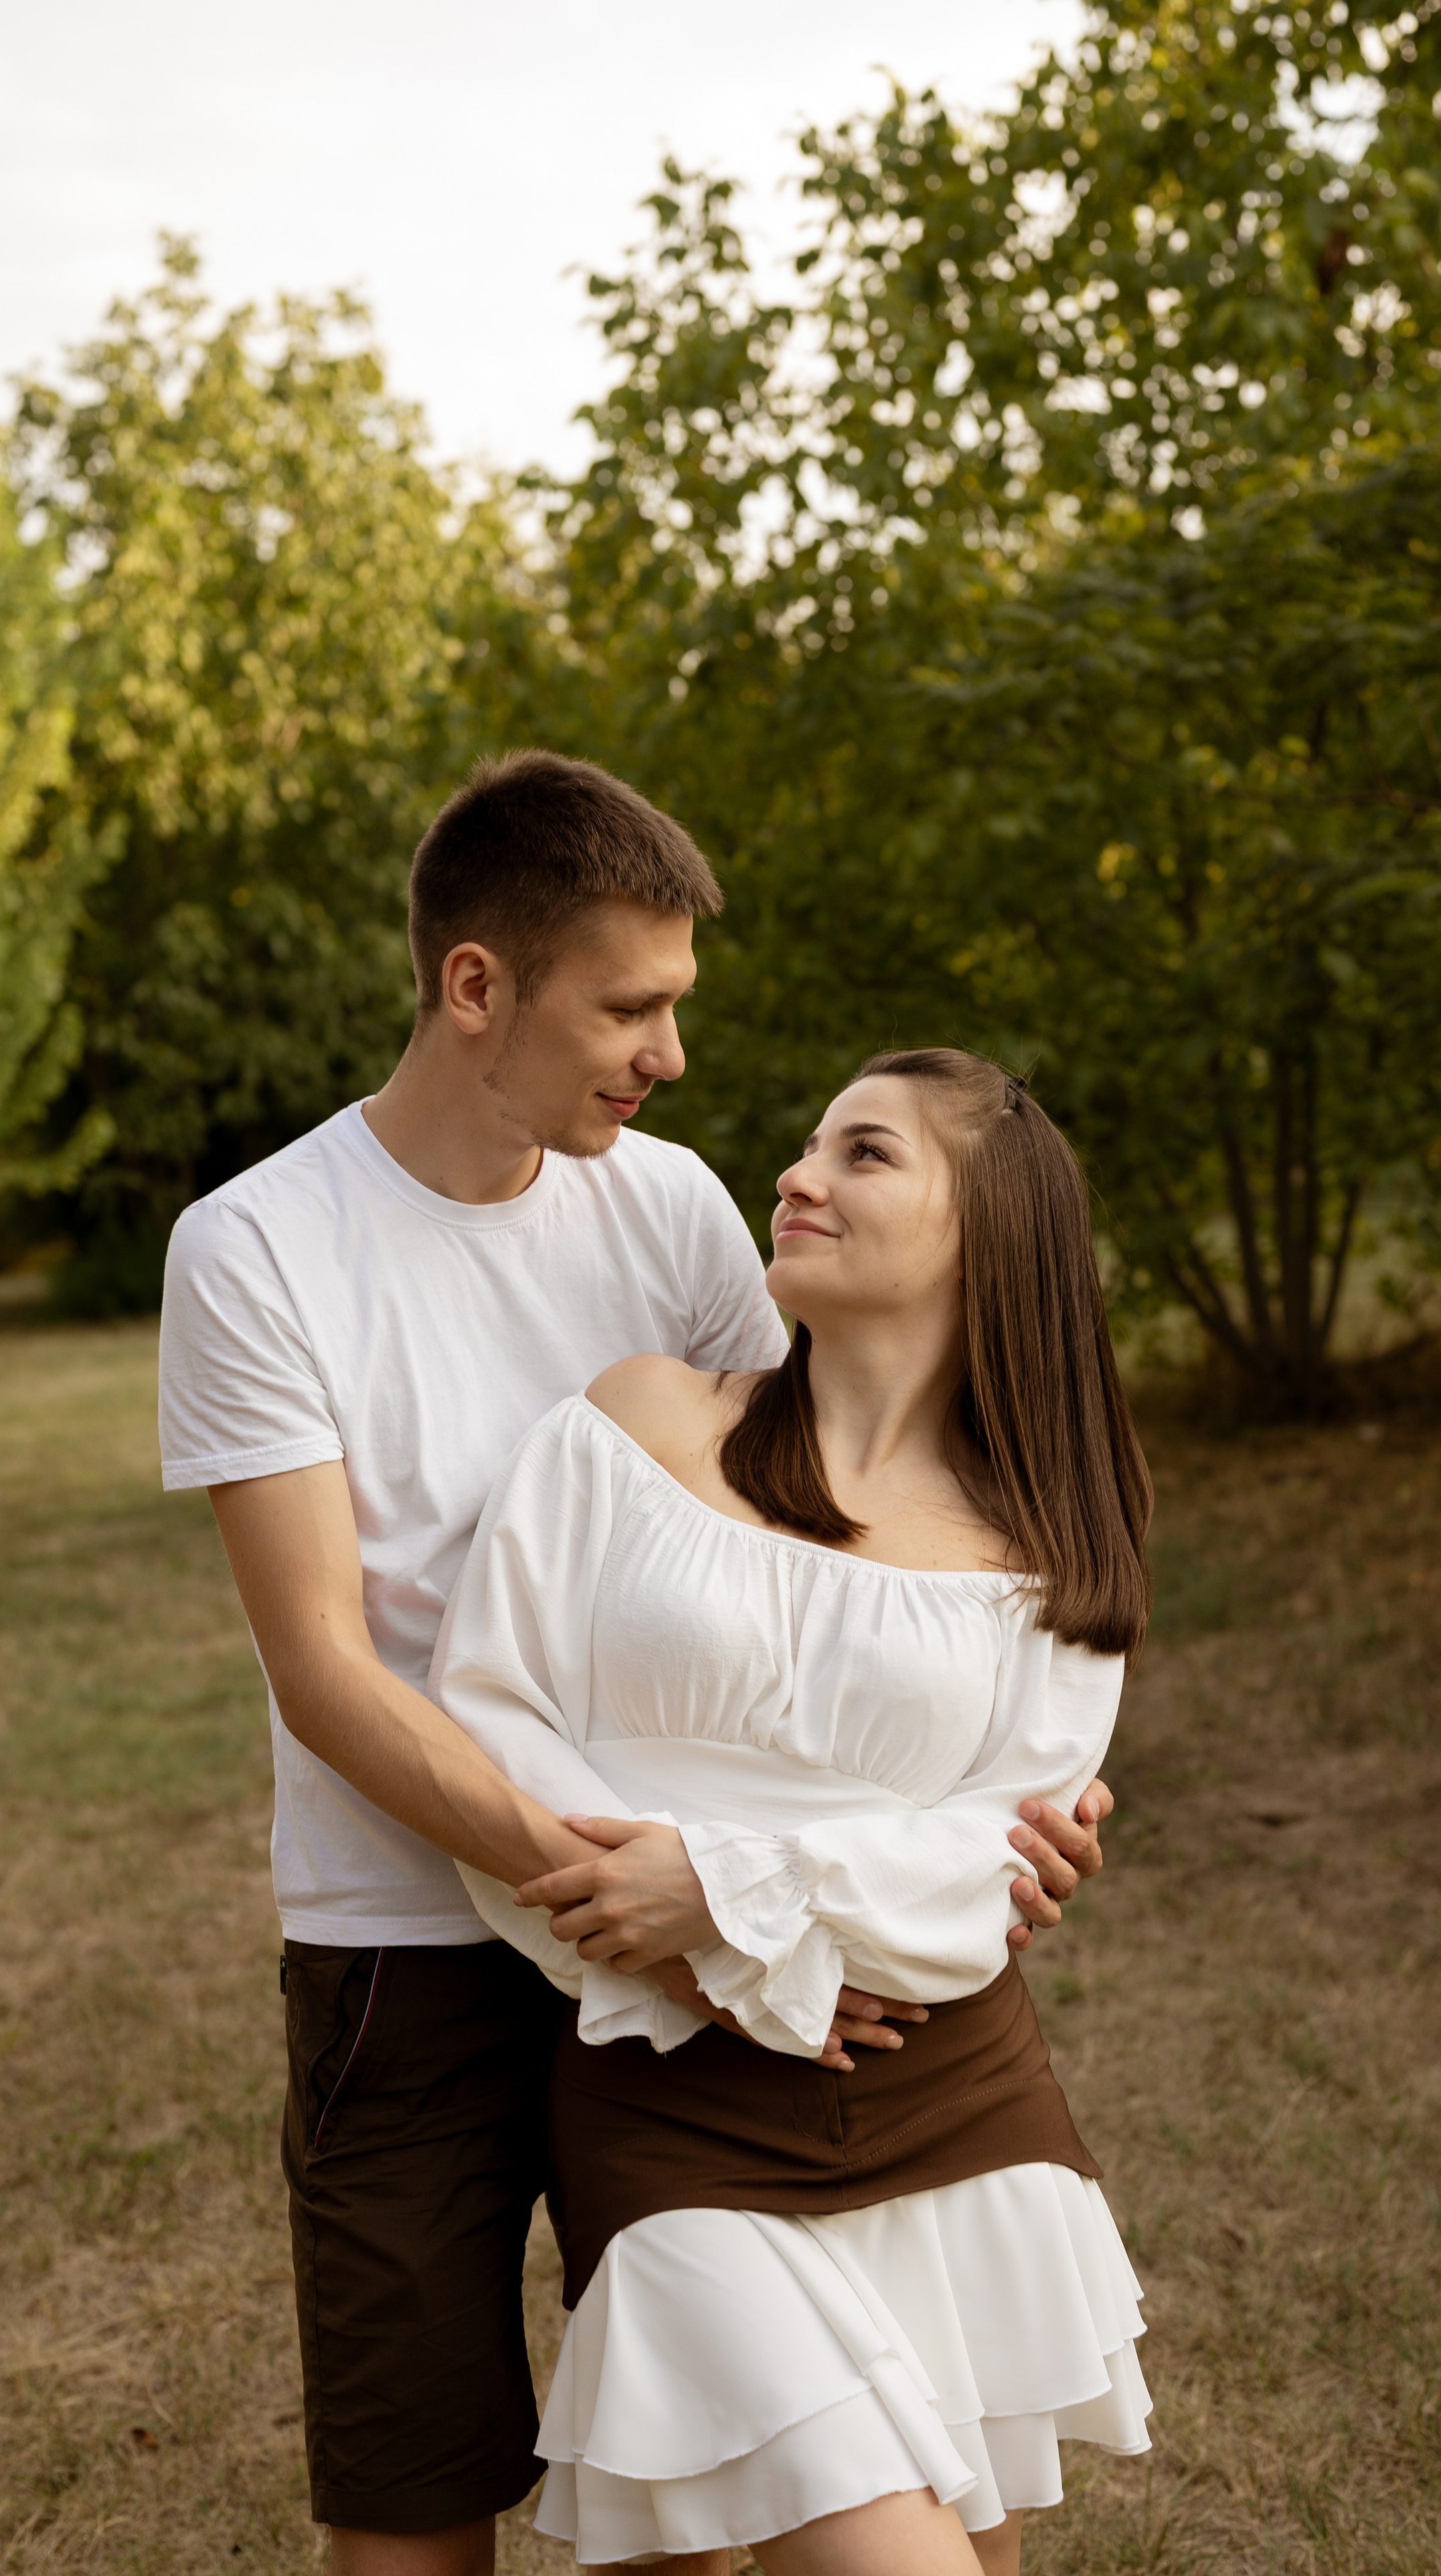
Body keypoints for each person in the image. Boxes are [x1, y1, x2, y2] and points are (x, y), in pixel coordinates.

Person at [156, 753, 1112, 2576]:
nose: (670, 1053)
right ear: (476, 986)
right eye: (630, 1007)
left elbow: (819, 1539)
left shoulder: (669, 1208)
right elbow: (328, 1672)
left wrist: (994, 1788)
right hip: (412, 1943)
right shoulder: (258, 1246)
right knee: (413, 2505)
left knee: (704, 2492)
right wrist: (671, 1916)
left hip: (702, 1953)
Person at [430, 1046, 1155, 2576]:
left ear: (986, 1228)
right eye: (810, 1143)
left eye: (863, 1153)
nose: (796, 1175)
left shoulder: (1054, 1528)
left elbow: (991, 1855)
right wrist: (688, 1940)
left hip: (953, 2100)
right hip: (670, 2095)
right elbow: (491, 1713)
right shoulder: (636, 1424)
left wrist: (724, 1887)